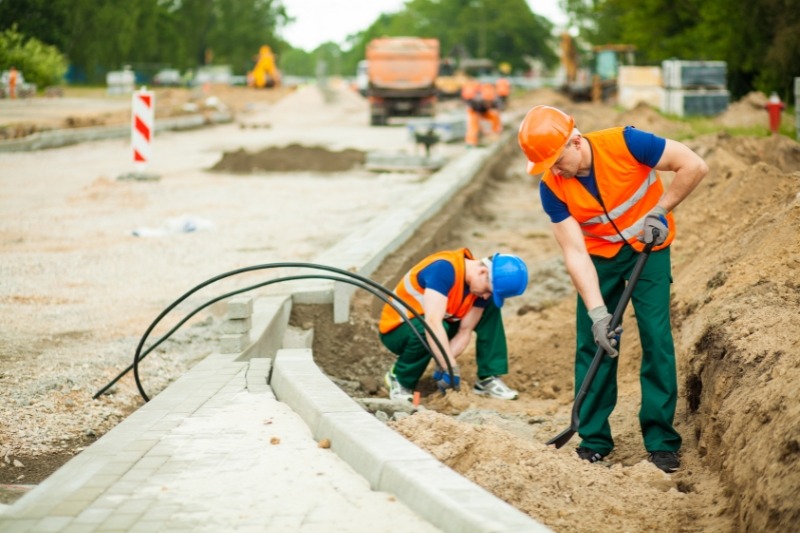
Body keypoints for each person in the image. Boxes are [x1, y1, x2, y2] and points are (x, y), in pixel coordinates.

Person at [517, 105, 708, 473]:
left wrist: (662, 210)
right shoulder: (552, 188)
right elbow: (574, 252)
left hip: (648, 246)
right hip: (600, 256)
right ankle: (594, 440)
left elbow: (694, 165)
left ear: (575, 141)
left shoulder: (627, 143)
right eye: (547, 167)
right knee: (593, 341)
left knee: (655, 336)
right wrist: (598, 314)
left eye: (557, 161)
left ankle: (661, 441)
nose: (555, 171)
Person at [380, 248, 528, 402]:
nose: (485, 295)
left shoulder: (480, 286)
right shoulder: (444, 269)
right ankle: (399, 379)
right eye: (487, 290)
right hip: (399, 330)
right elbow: (432, 323)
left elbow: (465, 331)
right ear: (483, 272)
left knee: (490, 308)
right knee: (428, 328)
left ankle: (488, 378)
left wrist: (443, 363)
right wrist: (450, 366)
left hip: (437, 327)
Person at [462, 80, 502, 147]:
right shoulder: (477, 101)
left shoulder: (495, 101)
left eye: (489, 102)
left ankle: (496, 133)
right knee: (473, 125)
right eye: (486, 102)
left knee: (494, 114)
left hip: (485, 112)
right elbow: (477, 115)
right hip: (474, 112)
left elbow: (498, 111)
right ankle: (471, 142)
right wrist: (483, 129)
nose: (488, 103)